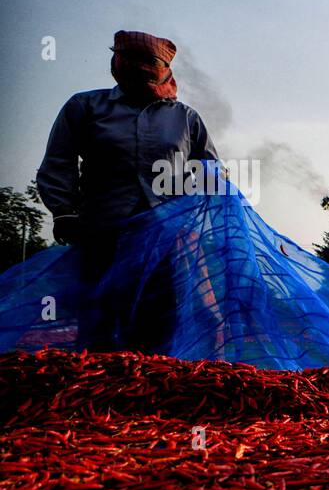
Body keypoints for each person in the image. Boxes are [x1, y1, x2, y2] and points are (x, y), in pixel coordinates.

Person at [35, 30, 220, 351]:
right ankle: (100, 395)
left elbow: (212, 172)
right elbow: (58, 162)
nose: (137, 67)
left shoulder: (185, 118)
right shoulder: (86, 106)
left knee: (160, 325)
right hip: (101, 232)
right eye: (128, 58)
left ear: (165, 67)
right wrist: (64, 211)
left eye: (149, 61)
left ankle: (152, 394)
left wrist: (205, 204)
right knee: (99, 323)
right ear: (115, 62)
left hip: (166, 241)